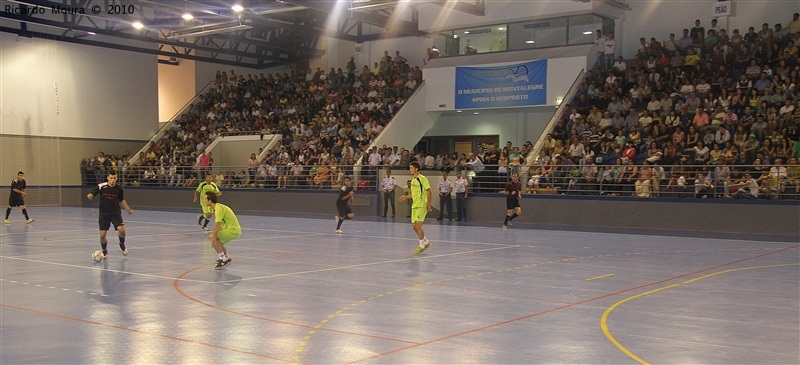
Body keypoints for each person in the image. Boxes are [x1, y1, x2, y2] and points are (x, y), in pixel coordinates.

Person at [87, 171, 133, 259]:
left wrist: (128, 209)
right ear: (108, 177)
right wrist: (90, 195)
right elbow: (92, 194)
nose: (112, 180)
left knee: (122, 230)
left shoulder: (119, 189)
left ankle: (122, 244)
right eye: (111, 178)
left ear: (117, 178)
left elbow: (121, 200)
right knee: (102, 235)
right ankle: (104, 250)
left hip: (115, 213)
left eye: (114, 178)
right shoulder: (101, 186)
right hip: (104, 213)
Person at [399, 161, 432, 254]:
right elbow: (414, 194)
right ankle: (425, 241)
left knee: (418, 225)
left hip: (422, 204)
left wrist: (428, 204)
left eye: (411, 168)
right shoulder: (413, 181)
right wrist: (405, 197)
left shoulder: (422, 179)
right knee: (414, 226)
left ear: (416, 169)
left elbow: (429, 192)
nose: (410, 170)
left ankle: (421, 245)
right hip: (415, 205)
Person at [204, 192, 240, 270]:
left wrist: (213, 235)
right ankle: (227, 257)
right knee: (218, 240)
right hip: (233, 229)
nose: (204, 201)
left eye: (205, 199)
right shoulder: (218, 207)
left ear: (210, 201)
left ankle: (222, 260)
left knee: (212, 237)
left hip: (233, 230)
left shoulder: (218, 209)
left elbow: (217, 224)